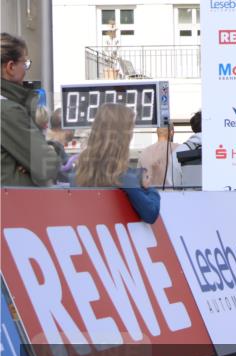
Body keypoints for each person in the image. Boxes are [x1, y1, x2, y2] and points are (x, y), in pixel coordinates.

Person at [72, 104, 160, 223]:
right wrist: (149, 187)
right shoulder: (123, 176)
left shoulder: (79, 169)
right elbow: (151, 213)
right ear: (123, 136)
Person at [1, 32, 61, 186]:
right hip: (14, 205)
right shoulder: (7, 110)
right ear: (11, 67)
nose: (26, 70)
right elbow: (46, 167)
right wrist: (53, 151)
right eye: (25, 63)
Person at [138, 122, 182, 189]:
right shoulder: (180, 149)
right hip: (174, 196)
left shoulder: (144, 153)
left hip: (151, 196)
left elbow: (138, 181)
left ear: (157, 132)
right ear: (172, 132)